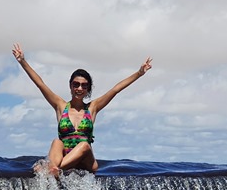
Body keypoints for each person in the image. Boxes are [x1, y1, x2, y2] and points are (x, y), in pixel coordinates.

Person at [12, 43, 152, 175]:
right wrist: (22, 61)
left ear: (88, 89)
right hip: (65, 157)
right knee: (57, 142)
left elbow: (115, 89)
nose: (79, 88)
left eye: (84, 86)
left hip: (86, 161)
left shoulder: (92, 108)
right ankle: (54, 170)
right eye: (76, 84)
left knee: (85, 145)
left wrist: (139, 73)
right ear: (71, 86)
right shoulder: (60, 106)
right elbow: (40, 84)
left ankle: (52, 170)